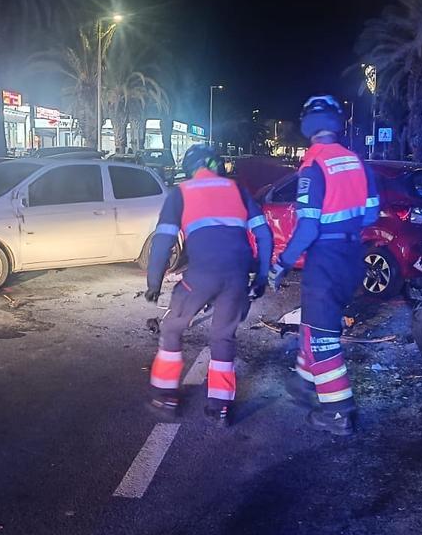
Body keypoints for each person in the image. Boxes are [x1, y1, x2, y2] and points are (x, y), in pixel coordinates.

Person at [269, 95, 379, 436]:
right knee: (315, 323)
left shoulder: (313, 167)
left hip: (325, 260)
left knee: (323, 338)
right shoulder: (357, 162)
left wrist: (282, 263)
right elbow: (372, 214)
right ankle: (305, 381)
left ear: (308, 127)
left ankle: (337, 411)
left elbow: (308, 228)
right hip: (351, 257)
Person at [144, 144, 273, 424]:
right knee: (223, 337)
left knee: (171, 327)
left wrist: (153, 282)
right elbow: (264, 234)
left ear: (189, 169)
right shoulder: (237, 190)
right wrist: (261, 277)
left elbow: (163, 241)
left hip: (201, 275)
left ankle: (165, 397)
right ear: (217, 164)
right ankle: (220, 406)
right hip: (237, 277)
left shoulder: (181, 192)